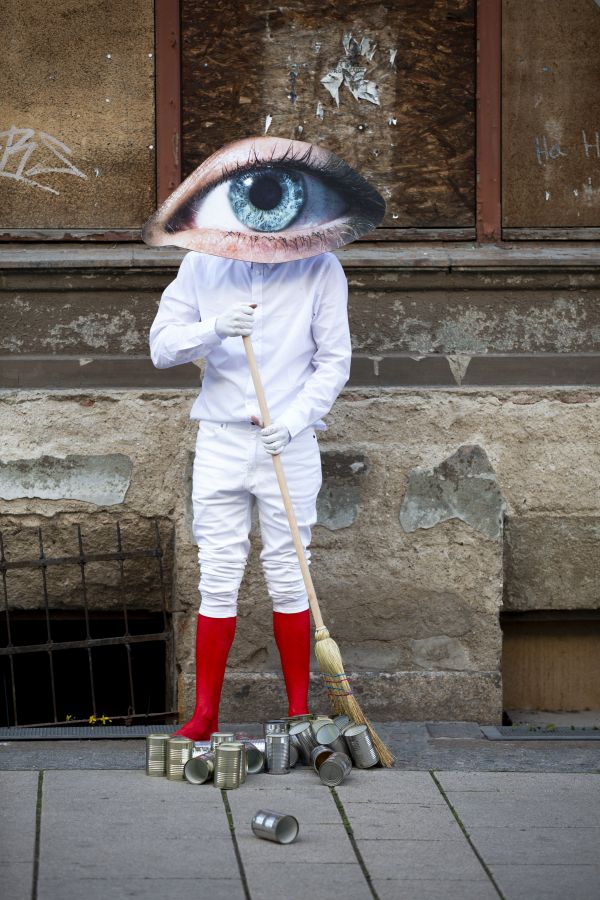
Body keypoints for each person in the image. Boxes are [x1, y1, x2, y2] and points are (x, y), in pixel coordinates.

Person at [149, 249, 351, 740]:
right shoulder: (201, 263)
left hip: (289, 439)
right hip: (220, 438)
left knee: (290, 570)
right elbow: (161, 349)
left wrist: (295, 421)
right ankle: (205, 716)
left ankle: (299, 711)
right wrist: (215, 326)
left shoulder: (320, 266)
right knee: (218, 574)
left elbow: (334, 361)